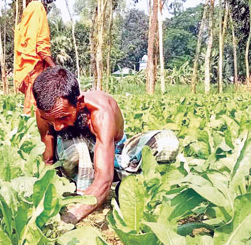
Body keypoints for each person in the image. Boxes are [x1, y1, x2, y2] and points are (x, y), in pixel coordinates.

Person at [33, 66, 180, 224]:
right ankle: (81, 192)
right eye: (50, 120)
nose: (57, 127)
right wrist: (49, 194)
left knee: (167, 142)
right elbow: (48, 161)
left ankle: (133, 189)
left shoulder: (101, 111)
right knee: (79, 148)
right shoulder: (45, 111)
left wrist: (68, 219)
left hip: (114, 154)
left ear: (80, 103)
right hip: (74, 162)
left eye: (63, 118)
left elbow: (104, 178)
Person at [14, 0, 56, 115]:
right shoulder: (39, 23)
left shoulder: (21, 28)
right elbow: (42, 48)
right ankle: (32, 126)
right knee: (34, 100)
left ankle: (28, 124)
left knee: (31, 96)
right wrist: (55, 68)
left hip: (27, 68)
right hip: (36, 67)